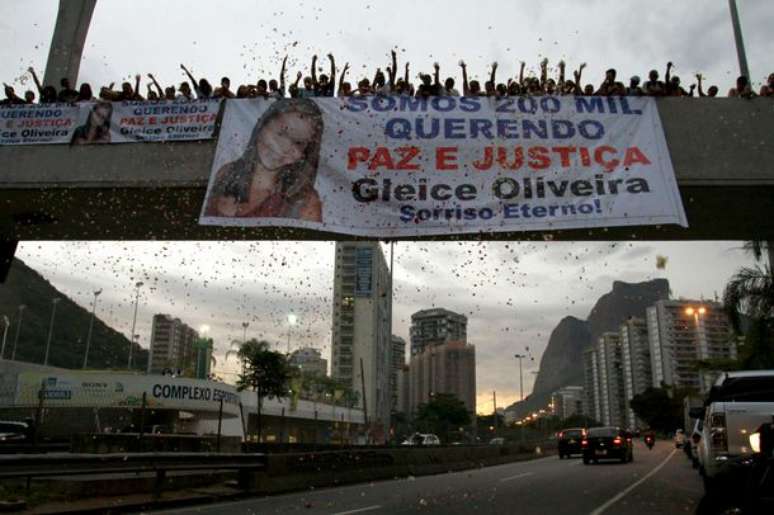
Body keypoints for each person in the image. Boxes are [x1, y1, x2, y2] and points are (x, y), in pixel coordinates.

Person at [203, 99, 324, 223]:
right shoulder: (226, 173)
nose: (283, 148)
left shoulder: (306, 201)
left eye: (299, 143)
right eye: (281, 134)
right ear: (262, 126)